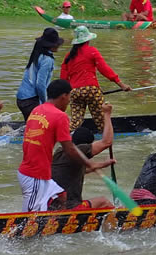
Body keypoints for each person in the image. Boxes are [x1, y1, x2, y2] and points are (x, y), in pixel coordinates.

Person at [18, 79, 113, 211]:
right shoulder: (60, 116)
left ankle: (59, 224)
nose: (69, 101)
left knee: (62, 196)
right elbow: (69, 149)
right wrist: (90, 163)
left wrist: (97, 164)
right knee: (27, 221)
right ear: (64, 96)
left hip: (39, 174)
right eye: (69, 97)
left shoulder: (37, 110)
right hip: (34, 175)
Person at [60, 25, 131, 131]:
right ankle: (107, 141)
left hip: (74, 92)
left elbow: (63, 79)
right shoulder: (92, 51)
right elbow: (105, 69)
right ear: (87, 40)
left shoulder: (68, 56)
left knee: (75, 123)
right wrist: (121, 85)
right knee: (102, 122)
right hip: (92, 90)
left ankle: (64, 139)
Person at [50, 104, 115, 210]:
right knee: (104, 202)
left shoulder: (60, 151)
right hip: (70, 208)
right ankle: (118, 225)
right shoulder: (80, 149)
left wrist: (102, 165)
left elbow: (79, 171)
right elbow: (106, 142)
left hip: (52, 207)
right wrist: (107, 114)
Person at [17, 27, 64, 120]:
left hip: (21, 98)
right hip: (31, 100)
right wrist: (46, 103)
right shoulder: (47, 60)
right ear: (52, 45)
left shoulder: (37, 54)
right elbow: (40, 84)